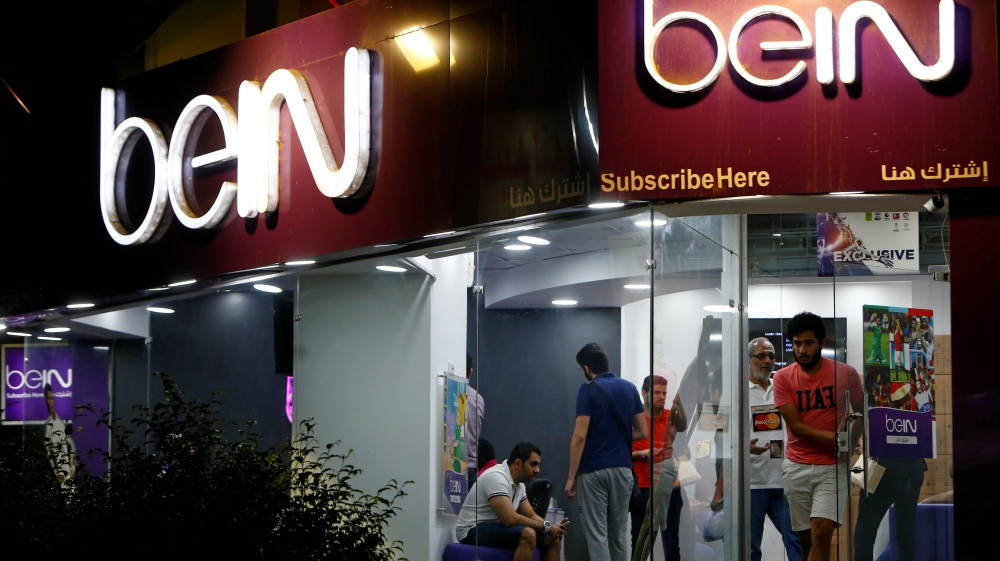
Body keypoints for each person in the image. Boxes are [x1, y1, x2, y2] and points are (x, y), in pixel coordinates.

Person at [774, 312, 863, 561]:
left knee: (822, 533)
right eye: (797, 343)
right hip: (797, 465)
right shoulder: (782, 378)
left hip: (832, 466)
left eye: (809, 343)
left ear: (822, 342)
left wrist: (849, 442)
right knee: (807, 541)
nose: (802, 350)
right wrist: (838, 439)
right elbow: (797, 427)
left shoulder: (846, 374)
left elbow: (861, 413)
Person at [566, 343, 647, 561]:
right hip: (623, 470)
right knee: (618, 536)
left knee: (597, 535)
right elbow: (642, 431)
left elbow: (579, 437)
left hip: (593, 470)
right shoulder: (629, 388)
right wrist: (616, 436)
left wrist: (571, 477)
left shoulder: (588, 390)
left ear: (586, 368)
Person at [456, 442, 568, 561]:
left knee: (553, 538)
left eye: (538, 465)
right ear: (518, 463)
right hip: (471, 529)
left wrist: (551, 527)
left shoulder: (519, 484)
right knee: (528, 534)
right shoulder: (496, 477)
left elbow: (531, 515)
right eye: (533, 464)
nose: (537, 470)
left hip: (495, 527)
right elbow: (509, 519)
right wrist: (546, 527)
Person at [747, 337, 802, 561]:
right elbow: (721, 437)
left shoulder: (784, 388)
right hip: (751, 485)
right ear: (748, 360)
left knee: (796, 541)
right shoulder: (737, 391)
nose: (767, 360)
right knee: (750, 549)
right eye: (761, 356)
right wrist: (744, 448)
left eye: (771, 356)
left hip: (784, 482)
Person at [629, 374, 684, 559]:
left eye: (665, 393)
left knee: (671, 540)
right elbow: (621, 453)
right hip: (644, 487)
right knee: (641, 540)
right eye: (657, 393)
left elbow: (681, 431)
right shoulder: (633, 420)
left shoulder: (670, 416)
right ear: (644, 393)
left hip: (669, 486)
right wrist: (642, 453)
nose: (662, 397)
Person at [43, 383, 76, 483]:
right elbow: (48, 451)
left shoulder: (60, 423)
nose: (51, 402)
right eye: (49, 399)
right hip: (59, 474)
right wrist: (55, 471)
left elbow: (72, 445)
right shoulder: (48, 426)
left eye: (52, 398)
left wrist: (72, 466)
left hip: (68, 471)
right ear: (47, 401)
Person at [466, 353, 485, 487]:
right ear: (470, 373)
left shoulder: (445, 393)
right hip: (470, 470)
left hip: (446, 467)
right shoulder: (477, 399)